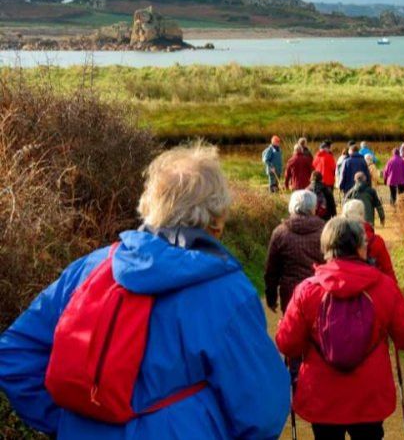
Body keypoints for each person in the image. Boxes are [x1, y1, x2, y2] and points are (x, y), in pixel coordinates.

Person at [0, 145, 290, 438]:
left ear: (151, 205)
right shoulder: (227, 291)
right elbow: (262, 411)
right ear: (216, 218)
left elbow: (14, 355)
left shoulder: (91, 268)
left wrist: (65, 422)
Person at [275, 217, 404, 440]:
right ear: (362, 247)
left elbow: (287, 344)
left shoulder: (307, 290)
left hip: (322, 395)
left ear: (325, 248)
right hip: (369, 395)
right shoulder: (384, 287)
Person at [265, 190, 326, 313]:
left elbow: (271, 269)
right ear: (314, 208)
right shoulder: (325, 231)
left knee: (290, 330)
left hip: (290, 295)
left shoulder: (280, 232)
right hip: (319, 292)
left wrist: (271, 297)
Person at [343, 199, 395, 280]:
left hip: (345, 286)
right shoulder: (376, 241)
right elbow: (387, 270)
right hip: (373, 286)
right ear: (362, 215)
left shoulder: (338, 240)